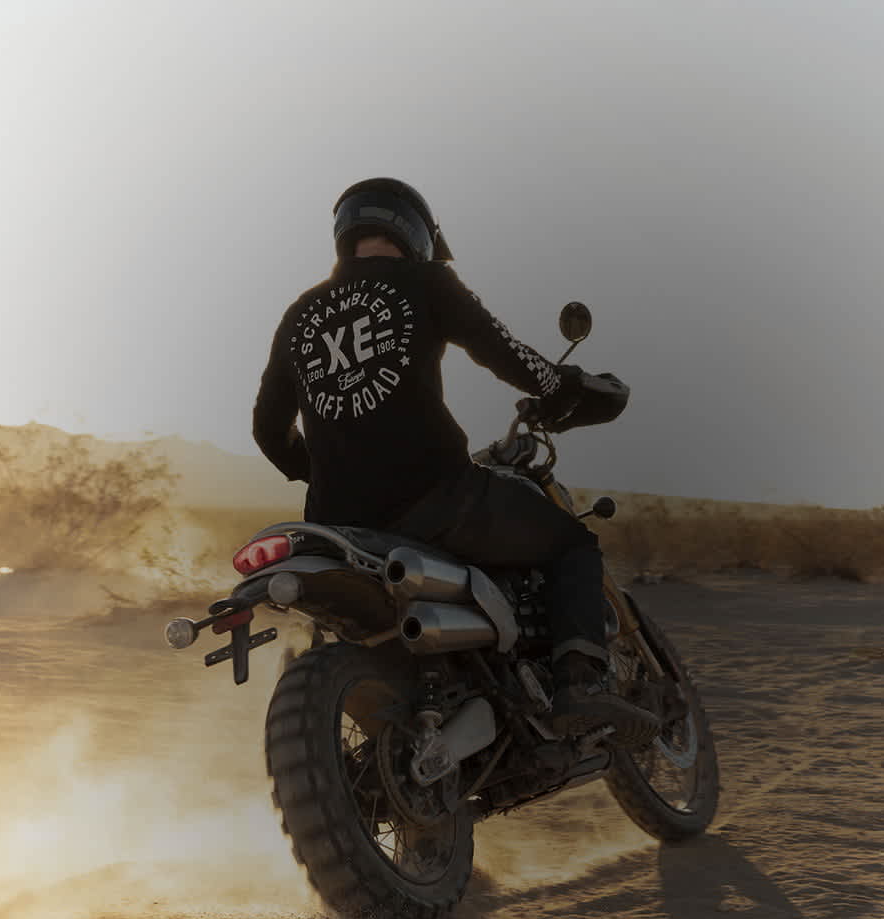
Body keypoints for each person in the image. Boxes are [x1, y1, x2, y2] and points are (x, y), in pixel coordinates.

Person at [252, 177, 657, 746]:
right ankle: (578, 683)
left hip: (337, 524)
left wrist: (329, 468)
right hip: (436, 497)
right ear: (415, 232)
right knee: (571, 544)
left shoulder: (300, 315)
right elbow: (505, 353)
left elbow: (267, 431)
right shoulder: (426, 280)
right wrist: (564, 387)